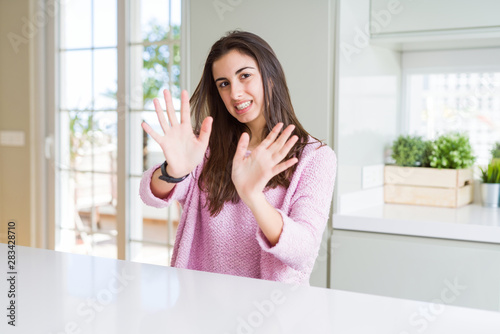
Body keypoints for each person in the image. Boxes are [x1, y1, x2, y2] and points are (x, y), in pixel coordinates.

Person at [140, 30, 336, 285]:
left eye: (245, 76)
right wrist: (173, 170)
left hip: (273, 316)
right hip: (200, 307)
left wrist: (253, 197)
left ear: (271, 76)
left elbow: (303, 253)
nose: (235, 93)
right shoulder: (205, 147)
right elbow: (151, 195)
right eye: (224, 83)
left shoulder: (315, 158)